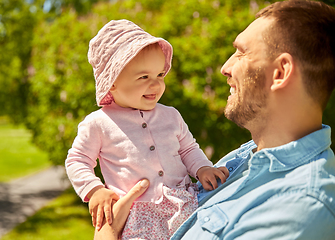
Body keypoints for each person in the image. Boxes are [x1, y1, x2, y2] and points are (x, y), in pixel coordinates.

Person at [94, 0, 335, 239]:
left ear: (280, 73)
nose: (225, 67)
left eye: (241, 53)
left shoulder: (298, 208)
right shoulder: (244, 160)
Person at [65, 19, 229, 240]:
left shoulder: (171, 115)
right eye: (144, 77)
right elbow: (77, 160)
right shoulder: (99, 123)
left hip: (184, 203)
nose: (156, 84)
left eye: (160, 75)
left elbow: (188, 149)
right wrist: (95, 190)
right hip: (135, 217)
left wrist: (202, 168)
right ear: (111, 82)